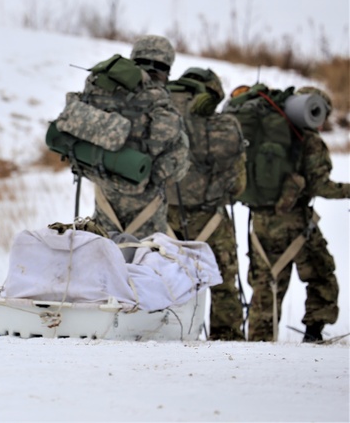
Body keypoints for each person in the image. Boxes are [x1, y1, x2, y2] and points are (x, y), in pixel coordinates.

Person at [245, 86, 348, 343]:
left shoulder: (265, 134)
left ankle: (258, 346)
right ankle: (313, 336)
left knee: (266, 285)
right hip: (295, 224)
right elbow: (320, 185)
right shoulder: (309, 140)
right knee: (322, 276)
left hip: (259, 222)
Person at [165, 68, 247, 340]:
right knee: (223, 284)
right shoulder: (225, 126)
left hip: (162, 219)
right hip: (211, 219)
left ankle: (165, 335)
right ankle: (227, 342)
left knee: (160, 281)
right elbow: (238, 186)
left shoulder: (161, 119)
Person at [88, 35, 190, 238]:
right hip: (149, 223)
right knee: (147, 267)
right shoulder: (166, 110)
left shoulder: (103, 97)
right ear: (167, 71)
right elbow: (175, 171)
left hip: (104, 213)